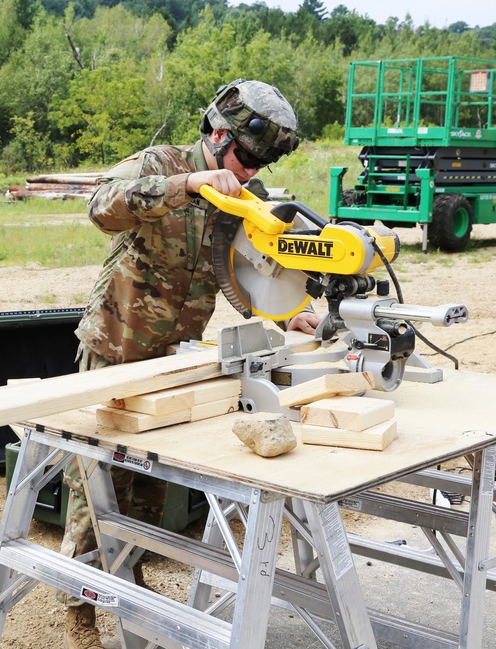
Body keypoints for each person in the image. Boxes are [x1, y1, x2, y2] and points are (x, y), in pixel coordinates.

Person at [60, 78, 320, 649]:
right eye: (246, 157)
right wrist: (189, 184)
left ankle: (134, 581)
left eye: (262, 162)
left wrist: (287, 316)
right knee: (96, 482)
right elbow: (100, 207)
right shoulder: (164, 164)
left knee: (151, 480)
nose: (251, 171)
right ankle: (79, 603)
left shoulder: (245, 197)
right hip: (114, 349)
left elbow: (243, 271)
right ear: (218, 133)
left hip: (175, 360)